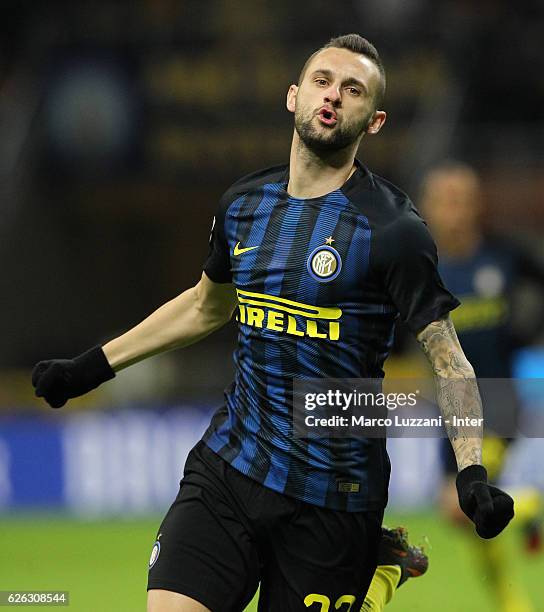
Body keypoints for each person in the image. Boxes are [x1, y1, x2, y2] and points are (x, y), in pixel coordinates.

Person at [32, 35, 514, 612]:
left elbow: (448, 361)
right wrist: (90, 367)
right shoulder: (242, 204)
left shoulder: (394, 231)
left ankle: (377, 574)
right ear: (293, 97)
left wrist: (471, 473)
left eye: (353, 90)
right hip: (230, 466)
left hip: (332, 493)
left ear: (375, 120)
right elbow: (205, 306)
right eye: (322, 81)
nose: (333, 96)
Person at [420, 161, 544, 612]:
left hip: (500, 404)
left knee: (470, 501)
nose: (455, 209)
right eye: (446, 199)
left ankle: (513, 605)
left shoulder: (506, 258)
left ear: (476, 206)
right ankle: (529, 508)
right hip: (448, 410)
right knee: (459, 513)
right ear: (428, 208)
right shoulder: (421, 270)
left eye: (463, 199)